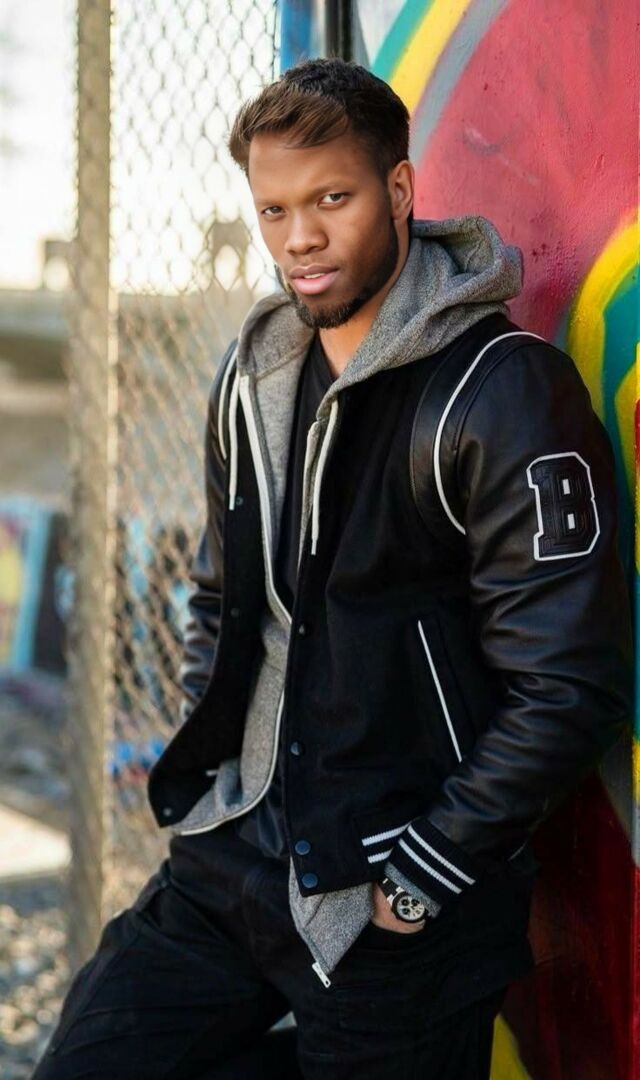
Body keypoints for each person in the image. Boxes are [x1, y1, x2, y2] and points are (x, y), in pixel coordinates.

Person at [35, 58, 633, 1080]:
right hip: (237, 859)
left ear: (398, 191)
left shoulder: (501, 394)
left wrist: (419, 880)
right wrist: (227, 775)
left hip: (396, 902)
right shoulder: (254, 372)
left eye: (331, 200)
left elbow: (569, 686)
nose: (299, 238)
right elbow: (220, 595)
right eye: (274, 210)